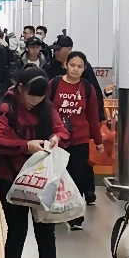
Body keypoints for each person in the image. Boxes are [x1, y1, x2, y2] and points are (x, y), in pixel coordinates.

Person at [0, 67, 71, 258]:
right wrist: (25, 146)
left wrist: (57, 138)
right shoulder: (7, 109)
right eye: (30, 98)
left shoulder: (47, 108)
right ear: (20, 89)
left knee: (46, 231)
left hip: (42, 181)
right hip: (11, 181)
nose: (35, 103)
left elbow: (62, 130)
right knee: (17, 231)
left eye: (40, 98)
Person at [46, 51, 104, 229]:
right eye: (72, 65)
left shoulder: (87, 88)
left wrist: (98, 140)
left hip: (80, 139)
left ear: (84, 68)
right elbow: (46, 110)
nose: (75, 69)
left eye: (79, 66)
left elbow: (92, 115)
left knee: (78, 176)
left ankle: (75, 216)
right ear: (65, 65)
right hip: (57, 139)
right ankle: (56, 210)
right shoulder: (54, 84)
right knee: (56, 176)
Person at [44, 35, 106, 119]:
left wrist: (100, 116)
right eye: (54, 50)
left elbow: (95, 92)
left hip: (80, 114)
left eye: (59, 49)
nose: (56, 53)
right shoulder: (50, 66)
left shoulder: (83, 66)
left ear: (69, 49)